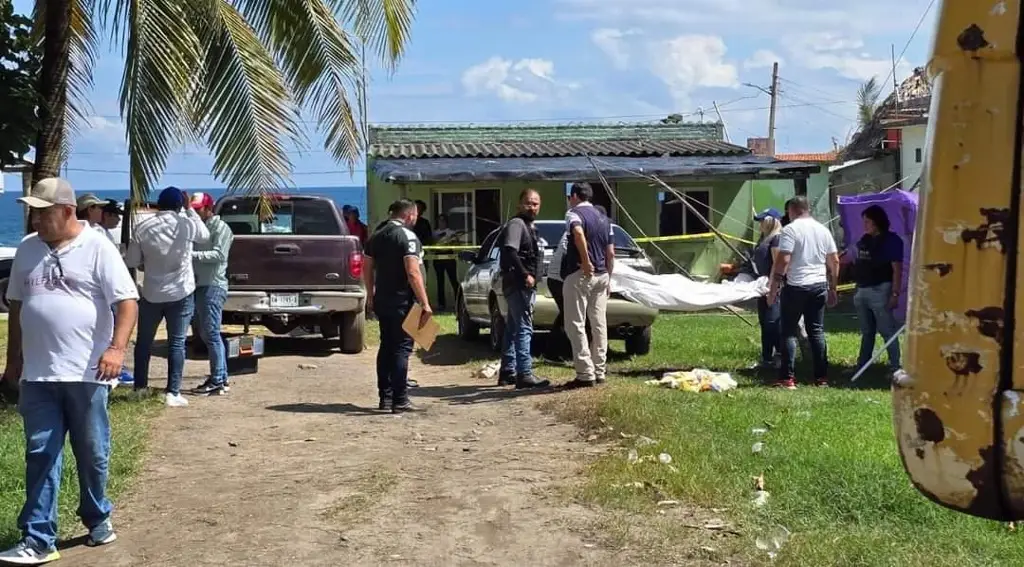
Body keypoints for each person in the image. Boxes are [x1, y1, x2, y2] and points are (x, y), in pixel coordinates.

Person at [0, 178, 139, 565]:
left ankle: (98, 518)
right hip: (39, 375)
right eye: (33, 213)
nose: (36, 220)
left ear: (65, 211)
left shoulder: (98, 247)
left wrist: (115, 349)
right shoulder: (28, 250)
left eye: (43, 213)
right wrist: (14, 362)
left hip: (87, 372)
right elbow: (17, 308)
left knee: (92, 452)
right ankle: (39, 538)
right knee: (40, 452)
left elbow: (127, 302)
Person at [126, 187, 210, 407]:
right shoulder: (186, 224)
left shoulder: (142, 227)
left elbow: (133, 261)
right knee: (177, 343)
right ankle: (172, 392)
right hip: (181, 292)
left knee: (144, 342)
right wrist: (190, 209)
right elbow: (205, 235)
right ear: (179, 205)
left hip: (152, 292)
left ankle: (140, 388)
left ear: (158, 205)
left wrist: (147, 261)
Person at [364, 199, 432, 413]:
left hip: (383, 299)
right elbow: (413, 272)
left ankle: (385, 398)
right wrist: (425, 302)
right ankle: (400, 399)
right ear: (410, 215)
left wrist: (370, 293)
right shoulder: (408, 237)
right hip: (404, 301)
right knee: (402, 349)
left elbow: (367, 266)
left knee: (386, 347)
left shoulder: (377, 235)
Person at [767, 196, 840, 389]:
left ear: (792, 210)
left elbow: (783, 259)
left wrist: (773, 287)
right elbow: (834, 261)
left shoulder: (790, 230)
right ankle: (821, 377)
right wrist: (833, 288)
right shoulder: (823, 230)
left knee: (788, 331)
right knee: (816, 330)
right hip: (818, 285)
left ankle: (787, 377)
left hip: (796, 285)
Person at [561, 182, 615, 388]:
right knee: (599, 324)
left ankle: (585, 373)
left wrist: (585, 261)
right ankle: (600, 370)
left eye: (569, 197)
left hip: (581, 274)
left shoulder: (573, 214)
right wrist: (609, 277)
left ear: (574, 196)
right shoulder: (605, 218)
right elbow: (611, 252)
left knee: (575, 324)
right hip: (602, 276)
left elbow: (577, 234)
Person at [497, 189, 550, 389]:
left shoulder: (530, 227)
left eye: (536, 203)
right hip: (518, 283)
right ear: (520, 204)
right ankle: (524, 374)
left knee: (512, 327)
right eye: (528, 203)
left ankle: (507, 371)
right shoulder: (517, 224)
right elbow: (511, 250)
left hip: (522, 284)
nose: (532, 207)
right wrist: (525, 274)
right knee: (524, 328)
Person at [190, 192, 235, 396]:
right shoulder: (201, 228)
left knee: (211, 333)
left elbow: (219, 255)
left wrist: (191, 255)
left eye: (199, 209)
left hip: (213, 285)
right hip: (201, 285)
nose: (197, 213)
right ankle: (220, 377)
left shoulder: (221, 228)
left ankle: (218, 379)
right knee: (207, 333)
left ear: (209, 208)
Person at [852, 205, 904, 373]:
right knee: (867, 330)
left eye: (867, 222)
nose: (864, 225)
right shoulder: (864, 240)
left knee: (886, 329)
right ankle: (863, 364)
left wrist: (895, 293)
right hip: (862, 289)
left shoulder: (892, 241)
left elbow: (897, 268)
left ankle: (895, 365)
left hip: (881, 289)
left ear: (876, 222)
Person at [752, 208, 783, 369]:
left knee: (772, 323)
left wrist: (772, 287)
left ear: (771, 222)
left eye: (762, 221)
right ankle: (766, 358)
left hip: (773, 287)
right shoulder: (763, 239)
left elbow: (777, 264)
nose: (760, 224)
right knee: (764, 322)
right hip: (762, 286)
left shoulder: (776, 239)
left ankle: (780, 356)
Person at [432, 214, 460, 311]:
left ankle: (458, 303)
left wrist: (452, 240)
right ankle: (441, 304)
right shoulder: (434, 233)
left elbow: (457, 245)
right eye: (440, 220)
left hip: (449, 256)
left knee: (453, 280)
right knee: (440, 281)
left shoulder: (451, 232)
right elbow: (432, 245)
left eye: (443, 221)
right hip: (438, 257)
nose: (441, 222)